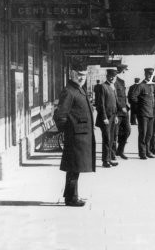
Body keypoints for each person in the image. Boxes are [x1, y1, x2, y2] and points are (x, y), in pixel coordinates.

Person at [52, 65, 96, 207]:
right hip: (76, 137)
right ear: (72, 74)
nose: (82, 77)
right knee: (74, 168)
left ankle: (71, 195)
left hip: (80, 136)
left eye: (84, 75)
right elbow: (60, 116)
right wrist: (69, 132)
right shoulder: (69, 91)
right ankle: (71, 199)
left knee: (75, 168)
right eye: (79, 74)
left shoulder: (78, 89)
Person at [95, 69, 119, 167]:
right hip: (105, 118)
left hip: (113, 117)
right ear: (107, 76)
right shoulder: (102, 87)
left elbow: (115, 104)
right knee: (107, 139)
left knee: (112, 139)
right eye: (110, 76)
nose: (112, 78)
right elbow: (100, 104)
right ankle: (105, 161)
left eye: (114, 76)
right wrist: (104, 117)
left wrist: (116, 115)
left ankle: (110, 158)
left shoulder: (113, 87)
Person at [129, 68, 155, 160]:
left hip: (151, 114)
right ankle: (142, 153)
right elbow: (133, 97)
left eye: (152, 74)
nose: (150, 76)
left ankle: (148, 151)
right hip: (143, 114)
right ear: (145, 74)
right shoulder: (141, 85)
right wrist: (140, 107)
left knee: (149, 134)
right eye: (149, 74)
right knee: (143, 134)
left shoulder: (151, 85)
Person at [114, 64, 131, 160]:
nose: (126, 72)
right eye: (125, 71)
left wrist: (127, 104)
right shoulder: (114, 82)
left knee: (127, 131)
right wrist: (121, 107)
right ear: (122, 71)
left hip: (125, 111)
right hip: (117, 111)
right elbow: (115, 97)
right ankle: (112, 153)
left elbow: (123, 97)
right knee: (114, 133)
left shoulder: (122, 82)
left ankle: (120, 150)